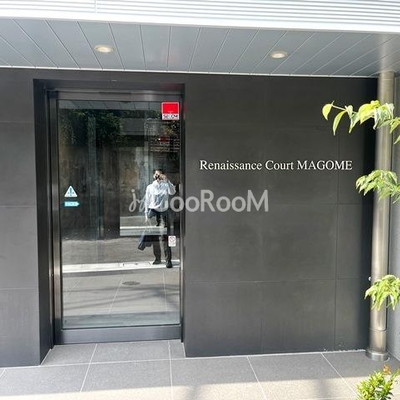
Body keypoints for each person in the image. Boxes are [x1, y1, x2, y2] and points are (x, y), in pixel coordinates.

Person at [144, 169, 176, 268]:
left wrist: (167, 180)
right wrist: (146, 214)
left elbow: (172, 192)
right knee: (154, 236)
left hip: (163, 212)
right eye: (156, 174)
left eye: (160, 174)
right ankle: (157, 258)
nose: (158, 176)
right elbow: (147, 201)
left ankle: (168, 260)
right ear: (153, 176)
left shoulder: (166, 185)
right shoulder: (150, 187)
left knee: (165, 237)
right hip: (153, 212)